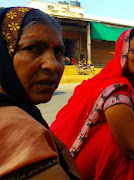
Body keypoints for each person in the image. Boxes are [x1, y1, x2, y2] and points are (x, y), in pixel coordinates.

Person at [50, 27, 134, 180]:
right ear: (122, 53)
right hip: (72, 161)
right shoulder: (116, 89)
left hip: (102, 149)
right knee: (119, 141)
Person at [0, 7, 81, 179]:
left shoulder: (23, 111)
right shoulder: (14, 127)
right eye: (33, 48)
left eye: (58, 52)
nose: (52, 65)